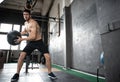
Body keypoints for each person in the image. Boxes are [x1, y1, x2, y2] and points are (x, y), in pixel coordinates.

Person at [11, 9, 57, 82]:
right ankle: (17, 73)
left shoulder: (33, 23)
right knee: (22, 55)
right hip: (31, 43)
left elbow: (33, 37)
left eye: (26, 14)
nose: (25, 16)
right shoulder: (25, 23)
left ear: (30, 15)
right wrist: (17, 34)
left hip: (39, 41)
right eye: (24, 14)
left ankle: (50, 72)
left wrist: (21, 39)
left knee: (47, 57)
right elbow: (25, 31)